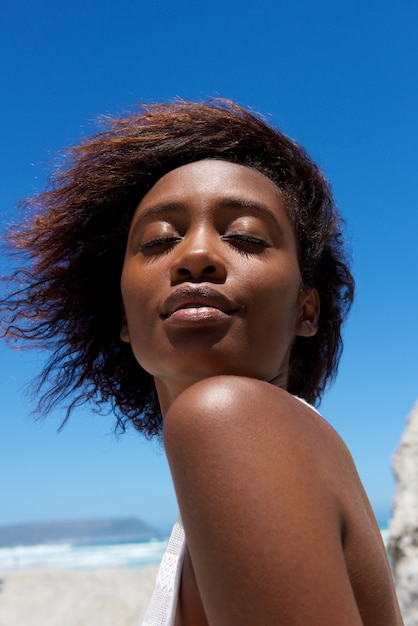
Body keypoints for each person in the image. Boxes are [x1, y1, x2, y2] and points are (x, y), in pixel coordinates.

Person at [0, 99, 403, 625]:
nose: (195, 255)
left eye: (246, 237)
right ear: (124, 317)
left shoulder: (229, 418)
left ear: (307, 309)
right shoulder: (291, 451)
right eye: (159, 241)